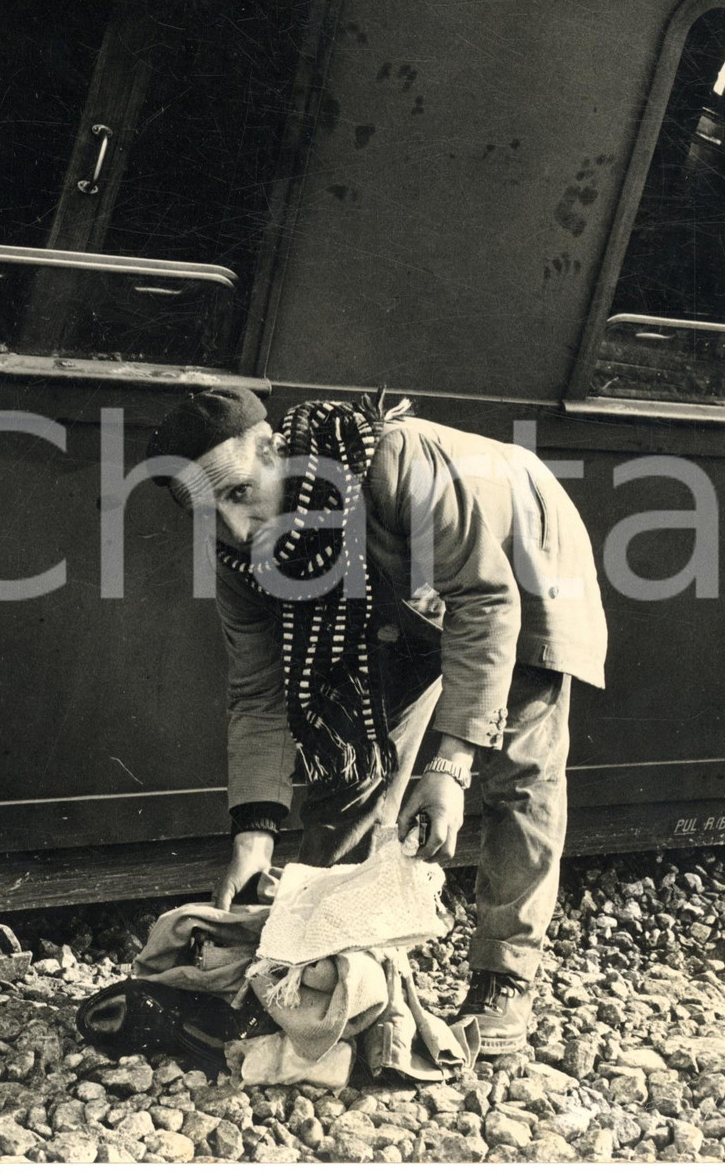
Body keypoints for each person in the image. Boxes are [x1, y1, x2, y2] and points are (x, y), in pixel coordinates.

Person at [146, 387, 607, 1054]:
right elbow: (261, 692)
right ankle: (327, 957)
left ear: (276, 453)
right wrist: (255, 832)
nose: (237, 529)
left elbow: (484, 602)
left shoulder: (393, 463)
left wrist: (449, 766)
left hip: (521, 553)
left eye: (242, 494)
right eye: (207, 511)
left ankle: (504, 977)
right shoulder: (241, 558)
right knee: (356, 761)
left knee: (519, 768)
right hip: (404, 599)